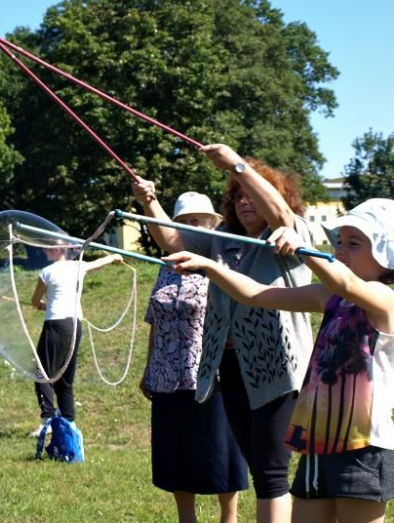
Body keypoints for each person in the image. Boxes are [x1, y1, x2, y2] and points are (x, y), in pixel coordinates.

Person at [166, 197, 394, 523]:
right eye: (339, 241)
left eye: (354, 243)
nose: (341, 249)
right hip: (318, 442)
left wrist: (302, 248)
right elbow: (255, 294)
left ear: (387, 257)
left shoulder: (385, 300)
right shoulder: (329, 297)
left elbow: (346, 281)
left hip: (363, 446)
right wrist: (211, 266)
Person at [132, 144, 314, 523]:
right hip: (229, 364)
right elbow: (173, 241)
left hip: (276, 368)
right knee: (257, 464)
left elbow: (280, 214)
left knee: (270, 471)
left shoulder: (291, 236)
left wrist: (236, 164)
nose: (245, 201)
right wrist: (149, 201)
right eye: (238, 196)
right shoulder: (222, 238)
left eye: (252, 194)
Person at [140, 191, 248, 523]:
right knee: (175, 453)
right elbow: (155, 318)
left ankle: (228, 518)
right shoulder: (166, 267)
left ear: (212, 226)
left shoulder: (220, 264)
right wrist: (148, 367)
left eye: (196, 222)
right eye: (182, 223)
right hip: (166, 376)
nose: (189, 229)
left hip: (210, 373)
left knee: (222, 451)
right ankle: (186, 518)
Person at [28, 245, 123, 436]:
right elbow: (99, 263)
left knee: (42, 372)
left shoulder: (47, 272)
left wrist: (41, 305)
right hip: (74, 324)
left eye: (48, 249)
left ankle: (48, 420)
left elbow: (34, 300)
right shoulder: (79, 266)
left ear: (59, 250)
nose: (45, 252)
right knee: (65, 377)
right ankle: (68, 421)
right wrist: (114, 256)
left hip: (55, 324)